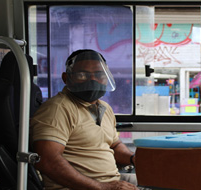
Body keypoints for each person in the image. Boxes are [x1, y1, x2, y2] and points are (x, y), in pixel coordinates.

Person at [30, 49, 138, 190]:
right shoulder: (58, 109)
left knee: (168, 179)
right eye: (82, 75)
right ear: (66, 78)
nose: (92, 80)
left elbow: (115, 145)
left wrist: (133, 159)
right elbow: (47, 160)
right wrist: (102, 187)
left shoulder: (105, 108)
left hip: (112, 181)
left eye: (99, 74)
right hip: (84, 187)